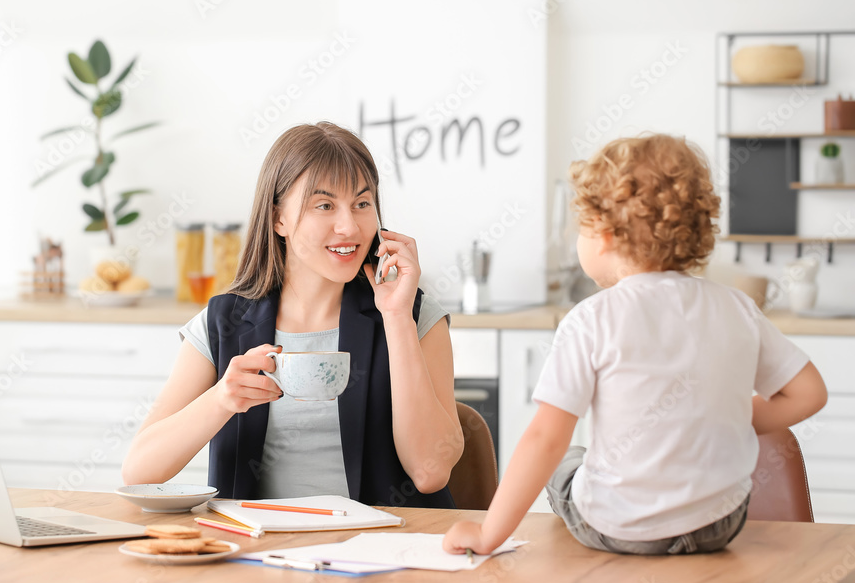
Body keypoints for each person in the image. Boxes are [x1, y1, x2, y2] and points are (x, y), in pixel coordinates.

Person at [444, 134, 828, 556]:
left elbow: (543, 440)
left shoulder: (590, 320)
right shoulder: (736, 307)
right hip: (721, 523)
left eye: (582, 229)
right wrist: (728, 416)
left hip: (620, 528)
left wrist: (486, 535)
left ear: (604, 235)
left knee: (570, 458)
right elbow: (810, 393)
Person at [122, 122, 463, 508]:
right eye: (324, 205)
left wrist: (397, 316)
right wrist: (221, 400)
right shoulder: (224, 322)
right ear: (278, 218)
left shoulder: (414, 315)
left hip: (387, 553)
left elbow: (430, 473)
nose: (349, 226)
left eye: (362, 204)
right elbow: (139, 472)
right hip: (260, 555)